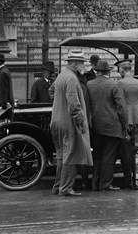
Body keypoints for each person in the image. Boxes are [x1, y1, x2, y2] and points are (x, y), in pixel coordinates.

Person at [48, 50, 93, 196]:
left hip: (56, 120)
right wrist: (80, 121)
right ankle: (66, 188)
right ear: (75, 64)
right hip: (68, 122)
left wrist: (58, 103)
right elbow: (74, 104)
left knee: (61, 155)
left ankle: (58, 186)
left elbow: (51, 90)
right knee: (71, 154)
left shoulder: (62, 75)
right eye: (81, 63)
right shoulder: (72, 78)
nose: (83, 66)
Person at [86, 60, 128, 191]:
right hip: (112, 127)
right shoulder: (114, 84)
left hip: (95, 127)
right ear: (108, 72)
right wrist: (124, 125)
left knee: (97, 156)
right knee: (109, 157)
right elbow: (121, 107)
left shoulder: (89, 84)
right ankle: (106, 184)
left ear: (97, 72)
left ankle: (95, 183)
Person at [116, 58, 138, 190]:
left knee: (125, 152)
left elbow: (118, 104)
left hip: (125, 121)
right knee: (137, 151)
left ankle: (127, 181)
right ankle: (137, 180)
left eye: (119, 70)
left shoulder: (119, 84)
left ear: (122, 70)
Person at [0, 53, 14, 122]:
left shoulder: (2, 73)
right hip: (2, 104)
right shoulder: (4, 70)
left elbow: (3, 89)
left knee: (0, 123)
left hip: (1, 105)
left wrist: (3, 104)